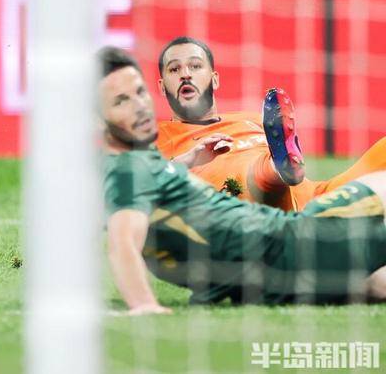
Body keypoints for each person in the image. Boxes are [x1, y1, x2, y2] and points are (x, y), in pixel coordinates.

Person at [99, 46, 386, 315]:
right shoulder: (129, 170)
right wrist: (144, 305)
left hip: (260, 280)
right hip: (284, 241)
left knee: (372, 283)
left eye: (140, 92)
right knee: (380, 187)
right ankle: (276, 168)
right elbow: (122, 242)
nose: (139, 106)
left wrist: (188, 160)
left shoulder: (139, 168)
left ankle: (279, 167)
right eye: (121, 101)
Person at [155, 36, 386, 211]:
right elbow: (141, 181)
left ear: (214, 80)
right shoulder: (156, 136)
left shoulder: (252, 119)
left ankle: (282, 167)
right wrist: (188, 159)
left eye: (195, 66)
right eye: (174, 69)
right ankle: (277, 169)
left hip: (316, 201)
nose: (185, 74)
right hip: (255, 217)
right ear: (162, 87)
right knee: (256, 176)